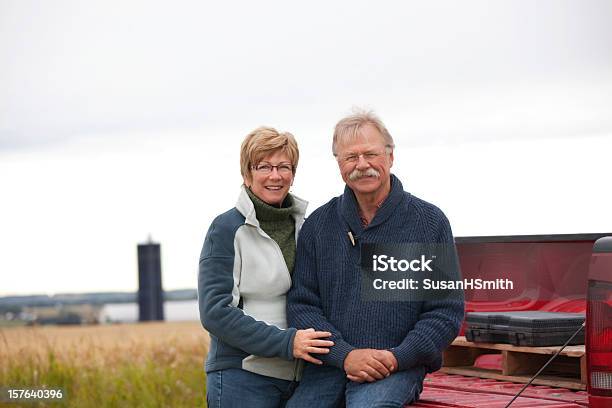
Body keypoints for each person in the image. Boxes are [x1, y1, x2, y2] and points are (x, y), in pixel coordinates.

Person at [286, 110, 465, 407]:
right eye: (350, 157)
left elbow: (444, 312)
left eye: (371, 154)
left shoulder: (428, 223)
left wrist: (398, 357)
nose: (362, 165)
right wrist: (345, 355)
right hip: (331, 366)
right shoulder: (318, 226)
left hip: (396, 366)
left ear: (390, 156)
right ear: (339, 164)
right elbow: (303, 304)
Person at [198, 127, 334, 408]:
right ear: (247, 174)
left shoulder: (307, 228)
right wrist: (287, 343)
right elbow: (215, 312)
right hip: (242, 378)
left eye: (284, 166)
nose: (275, 175)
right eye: (264, 166)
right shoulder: (226, 229)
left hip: (302, 379)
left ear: (293, 174)